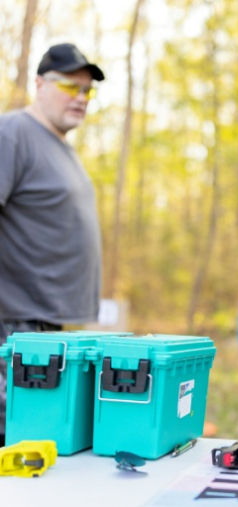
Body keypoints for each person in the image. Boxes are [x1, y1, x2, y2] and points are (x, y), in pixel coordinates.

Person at [0, 43, 105, 446]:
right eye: (69, 86)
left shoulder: (58, 144)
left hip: (42, 324)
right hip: (14, 323)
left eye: (87, 91)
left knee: (39, 436)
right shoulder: (13, 134)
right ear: (40, 83)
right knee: (17, 433)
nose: (80, 98)